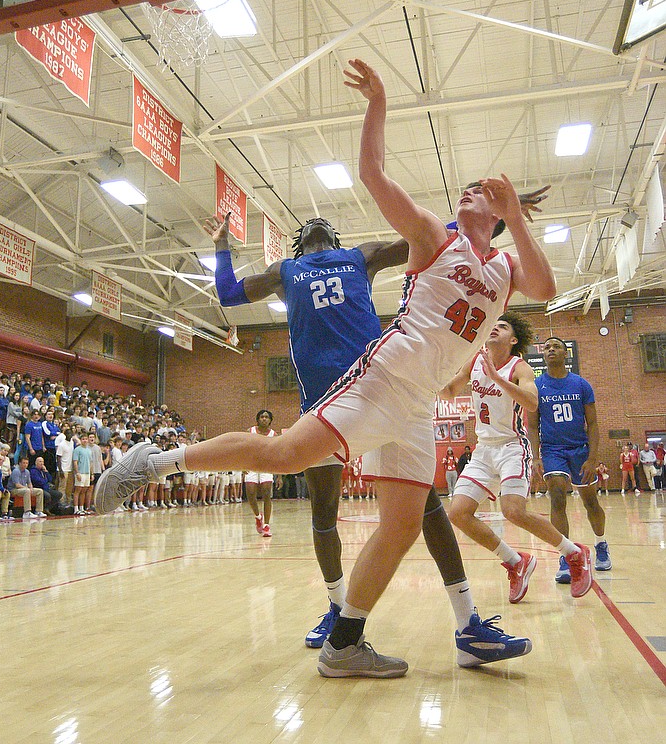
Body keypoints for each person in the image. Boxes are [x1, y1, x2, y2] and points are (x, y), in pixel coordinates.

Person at [96, 58, 557, 680]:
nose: (471, 190)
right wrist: (378, 103)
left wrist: (517, 216)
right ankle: (151, 464)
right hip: (381, 377)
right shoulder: (432, 237)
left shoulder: (501, 267)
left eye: (481, 191)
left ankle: (349, 640)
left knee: (400, 526)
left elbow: (547, 290)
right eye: (466, 188)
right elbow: (371, 175)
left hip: (418, 404)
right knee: (286, 455)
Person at [204, 183, 548, 657]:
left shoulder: (359, 256)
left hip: (381, 389)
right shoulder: (284, 271)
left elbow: (431, 237)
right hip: (324, 400)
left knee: (423, 512)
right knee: (322, 513)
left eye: (324, 223)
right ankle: (337, 608)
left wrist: (499, 214)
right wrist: (221, 245)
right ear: (299, 243)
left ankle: (466, 618)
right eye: (309, 226)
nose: (318, 223)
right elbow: (226, 291)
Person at [444, 316, 593, 602]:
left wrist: (499, 379)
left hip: (513, 446)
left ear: (513, 340)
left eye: (504, 326)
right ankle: (515, 561)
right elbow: (448, 390)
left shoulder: (520, 367)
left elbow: (532, 402)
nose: (496, 327)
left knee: (512, 510)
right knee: (458, 513)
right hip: (484, 449)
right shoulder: (474, 360)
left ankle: (575, 554)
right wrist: (428, 377)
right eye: (494, 324)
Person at [529, 336, 612, 581]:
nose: (551, 350)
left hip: (579, 449)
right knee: (556, 495)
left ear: (566, 354)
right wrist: (535, 456)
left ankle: (601, 544)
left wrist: (592, 458)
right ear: (543, 355)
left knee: (590, 502)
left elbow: (594, 423)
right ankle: (566, 556)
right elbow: (532, 426)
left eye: (556, 347)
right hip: (553, 449)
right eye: (547, 347)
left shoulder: (581, 384)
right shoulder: (536, 386)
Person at [244, 409, 276, 537]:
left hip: (267, 466)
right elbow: (242, 449)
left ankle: (267, 525)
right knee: (251, 494)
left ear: (270, 420)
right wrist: (242, 464)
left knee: (266, 493)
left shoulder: (273, 434)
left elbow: (277, 454)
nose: (264, 419)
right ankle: (258, 517)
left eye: (267, 417)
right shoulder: (250, 432)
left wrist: (278, 474)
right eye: (262, 417)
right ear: (258, 419)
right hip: (251, 465)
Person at [7, 456, 46, 520]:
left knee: (39, 491)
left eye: (26, 463)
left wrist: (31, 488)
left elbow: (29, 483)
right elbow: (17, 485)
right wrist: (27, 488)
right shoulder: (16, 471)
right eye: (23, 463)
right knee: (27, 491)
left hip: (24, 489)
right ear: (19, 463)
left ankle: (38, 511)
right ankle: (27, 512)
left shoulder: (27, 471)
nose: (25, 465)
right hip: (14, 490)